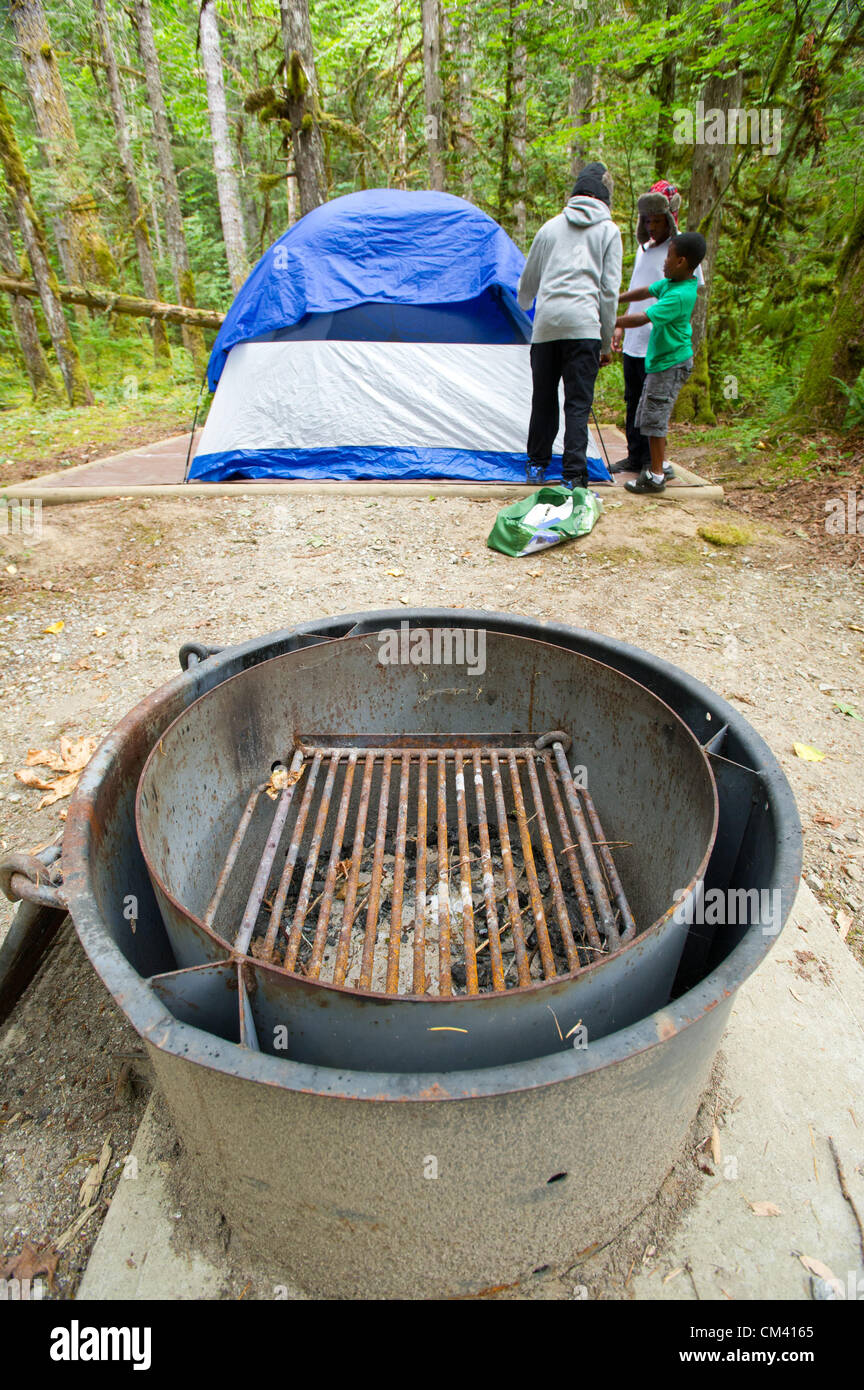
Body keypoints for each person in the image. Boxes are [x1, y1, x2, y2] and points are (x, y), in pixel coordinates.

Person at [517, 161, 622, 489]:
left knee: (543, 398)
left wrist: (525, 306)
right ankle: (574, 476)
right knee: (578, 403)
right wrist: (605, 342)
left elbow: (527, 284)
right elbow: (608, 291)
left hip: (547, 328)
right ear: (605, 197)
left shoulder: (550, 228)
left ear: (576, 192)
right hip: (584, 328)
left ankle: (536, 465)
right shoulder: (609, 231)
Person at [611, 181, 704, 479]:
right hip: (634, 337)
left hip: (659, 341)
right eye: (647, 221)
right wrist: (617, 322)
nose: (651, 227)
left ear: (670, 220)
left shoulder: (680, 254)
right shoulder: (645, 251)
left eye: (657, 221)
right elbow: (639, 290)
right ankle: (634, 456)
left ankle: (653, 467)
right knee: (633, 399)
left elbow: (681, 300)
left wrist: (609, 320)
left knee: (652, 406)